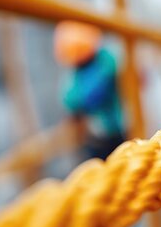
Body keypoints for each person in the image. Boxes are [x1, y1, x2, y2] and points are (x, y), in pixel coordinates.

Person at [54, 21, 125, 159]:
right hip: (99, 136)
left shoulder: (106, 59)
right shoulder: (76, 74)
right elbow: (70, 99)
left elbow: (92, 95)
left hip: (118, 128)